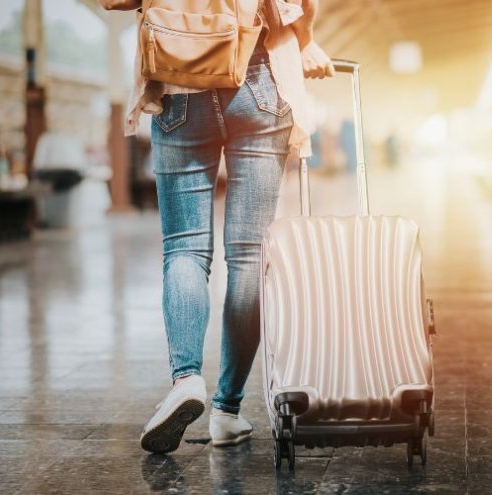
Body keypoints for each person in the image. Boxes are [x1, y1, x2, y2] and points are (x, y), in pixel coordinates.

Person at [101, 0, 334, 454]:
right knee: (248, 256)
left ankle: (186, 379)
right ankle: (227, 410)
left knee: (185, 247)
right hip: (258, 76)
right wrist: (306, 41)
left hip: (177, 78)